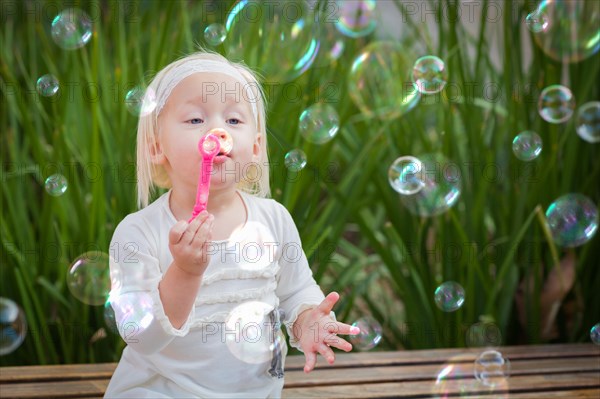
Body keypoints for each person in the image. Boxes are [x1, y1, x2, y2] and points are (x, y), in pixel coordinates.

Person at [104, 51, 359, 398]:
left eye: (235, 121)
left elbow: (296, 292)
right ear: (155, 146)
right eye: (195, 119)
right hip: (161, 391)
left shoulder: (274, 219)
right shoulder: (139, 232)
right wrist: (185, 271)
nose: (217, 130)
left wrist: (308, 321)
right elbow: (141, 337)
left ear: (254, 148)